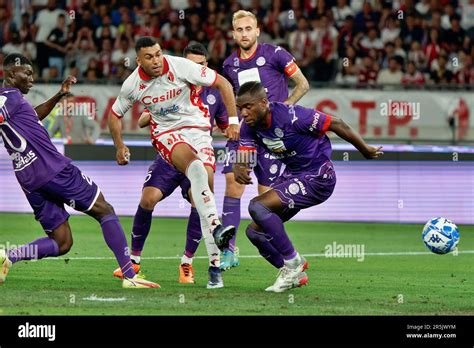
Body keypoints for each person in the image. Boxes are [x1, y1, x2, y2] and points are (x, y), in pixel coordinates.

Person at [0, 53, 159, 289]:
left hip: (29, 179)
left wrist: (58, 96)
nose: (32, 79)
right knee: (105, 210)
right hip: (52, 169)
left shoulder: (14, 102)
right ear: (12, 74)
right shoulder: (8, 99)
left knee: (61, 242)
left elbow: (33, 116)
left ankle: (8, 257)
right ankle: (129, 275)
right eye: (28, 73)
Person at [233, 81, 383, 293]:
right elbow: (244, 153)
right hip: (294, 176)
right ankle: (293, 273)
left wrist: (365, 149)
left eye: (248, 106)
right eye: (240, 108)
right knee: (254, 233)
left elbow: (337, 123)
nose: (244, 112)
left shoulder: (294, 117)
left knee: (257, 207)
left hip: (318, 176)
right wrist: (239, 166)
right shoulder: (249, 126)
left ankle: (293, 263)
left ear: (264, 103)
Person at [108, 37, 239, 277]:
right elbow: (117, 115)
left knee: (200, 195)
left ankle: (194, 262)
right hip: (169, 140)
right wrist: (119, 146)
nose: (156, 60)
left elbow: (224, 88)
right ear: (139, 61)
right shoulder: (133, 84)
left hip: (198, 136)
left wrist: (232, 123)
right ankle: (134, 260)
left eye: (158, 54)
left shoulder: (191, 75)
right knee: (148, 199)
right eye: (149, 57)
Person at [220, 10, 310, 269]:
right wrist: (232, 122)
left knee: (267, 202)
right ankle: (229, 250)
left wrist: (285, 111)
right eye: (240, 30)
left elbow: (302, 84)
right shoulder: (229, 65)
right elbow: (231, 99)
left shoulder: (276, 54)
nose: (244, 34)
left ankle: (286, 256)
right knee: (233, 182)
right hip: (247, 136)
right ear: (234, 33)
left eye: (249, 29)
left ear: (257, 30)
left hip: (272, 138)